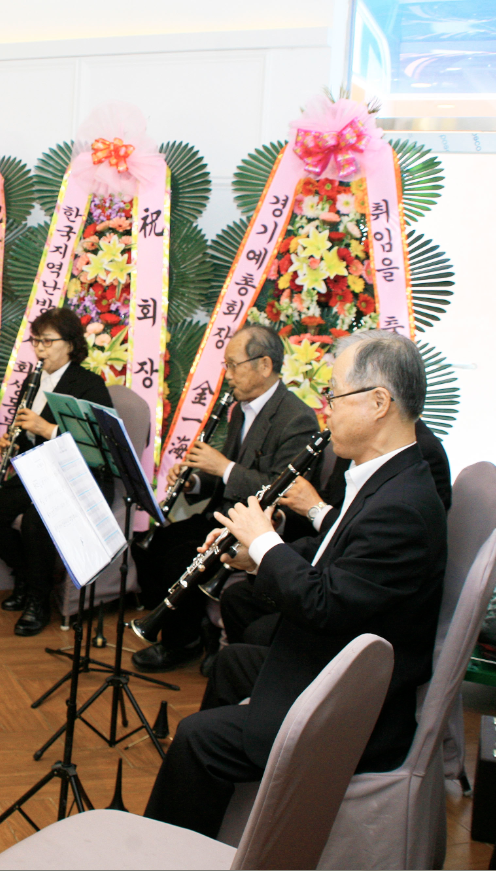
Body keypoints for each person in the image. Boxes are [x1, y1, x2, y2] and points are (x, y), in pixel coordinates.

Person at [144, 329, 447, 839]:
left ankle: (178, 847)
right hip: (331, 663)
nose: (326, 408)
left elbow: (325, 603)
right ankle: (219, 814)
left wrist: (265, 541)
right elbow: (337, 560)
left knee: (197, 739)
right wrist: (252, 560)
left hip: (354, 708)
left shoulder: (403, 504)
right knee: (232, 664)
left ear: (379, 403)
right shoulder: (386, 476)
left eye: (335, 395)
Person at [130, 324, 319, 672]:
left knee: (181, 558)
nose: (227, 374)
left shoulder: (297, 418)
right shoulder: (240, 408)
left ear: (264, 365)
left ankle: (180, 642)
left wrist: (224, 467)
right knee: (154, 544)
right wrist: (193, 481)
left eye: (233, 365)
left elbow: (282, 489)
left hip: (252, 528)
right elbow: (222, 475)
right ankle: (190, 629)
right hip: (222, 514)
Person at [220, 416, 453, 650]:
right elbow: (335, 529)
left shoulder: (419, 460)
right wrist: (259, 550)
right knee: (238, 600)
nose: (328, 414)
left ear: (379, 403)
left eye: (334, 400)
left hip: (365, 627)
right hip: (336, 582)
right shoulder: (356, 447)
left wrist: (311, 512)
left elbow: (369, 540)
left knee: (238, 654)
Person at [0, 307, 113, 636]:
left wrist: (47, 429)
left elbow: (99, 444)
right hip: (40, 471)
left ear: (71, 345)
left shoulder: (89, 384)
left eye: (47, 341)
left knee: (38, 520)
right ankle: (25, 577)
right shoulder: (33, 380)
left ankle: (38, 599)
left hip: (79, 478)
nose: (39, 349)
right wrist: (15, 441)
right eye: (36, 341)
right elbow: (29, 435)